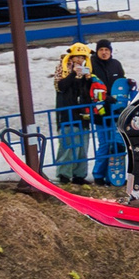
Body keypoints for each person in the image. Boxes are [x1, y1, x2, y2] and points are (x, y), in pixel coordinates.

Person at [52, 43, 99, 184]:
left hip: (83, 113)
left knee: (83, 146)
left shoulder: (88, 70)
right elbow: (61, 86)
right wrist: (74, 73)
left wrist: (87, 78)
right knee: (68, 144)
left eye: (82, 57)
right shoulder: (63, 68)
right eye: (77, 56)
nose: (79, 59)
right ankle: (64, 174)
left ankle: (79, 174)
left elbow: (90, 90)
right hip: (67, 113)